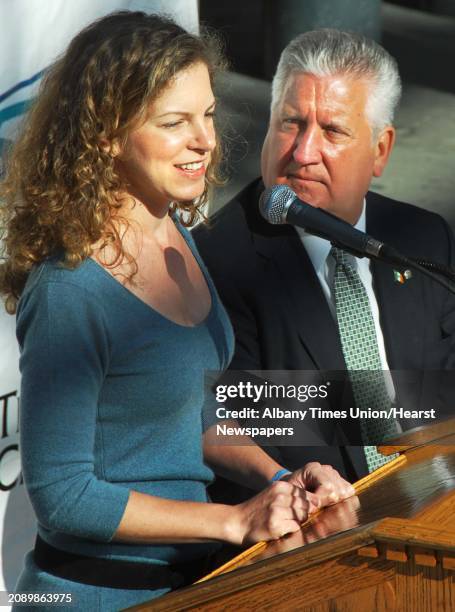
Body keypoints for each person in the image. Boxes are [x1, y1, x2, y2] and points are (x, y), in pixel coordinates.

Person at [0, 13, 354, 611]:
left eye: (208, 114)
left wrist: (279, 481)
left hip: (194, 585)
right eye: (174, 123)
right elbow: (63, 495)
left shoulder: (173, 229)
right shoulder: (69, 288)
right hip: (94, 596)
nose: (205, 140)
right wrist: (233, 521)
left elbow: (192, 413)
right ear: (106, 135)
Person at [194, 29, 455, 498]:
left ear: (380, 150)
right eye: (290, 123)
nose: (303, 152)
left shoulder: (423, 240)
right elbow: (259, 433)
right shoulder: (217, 261)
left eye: (332, 130)